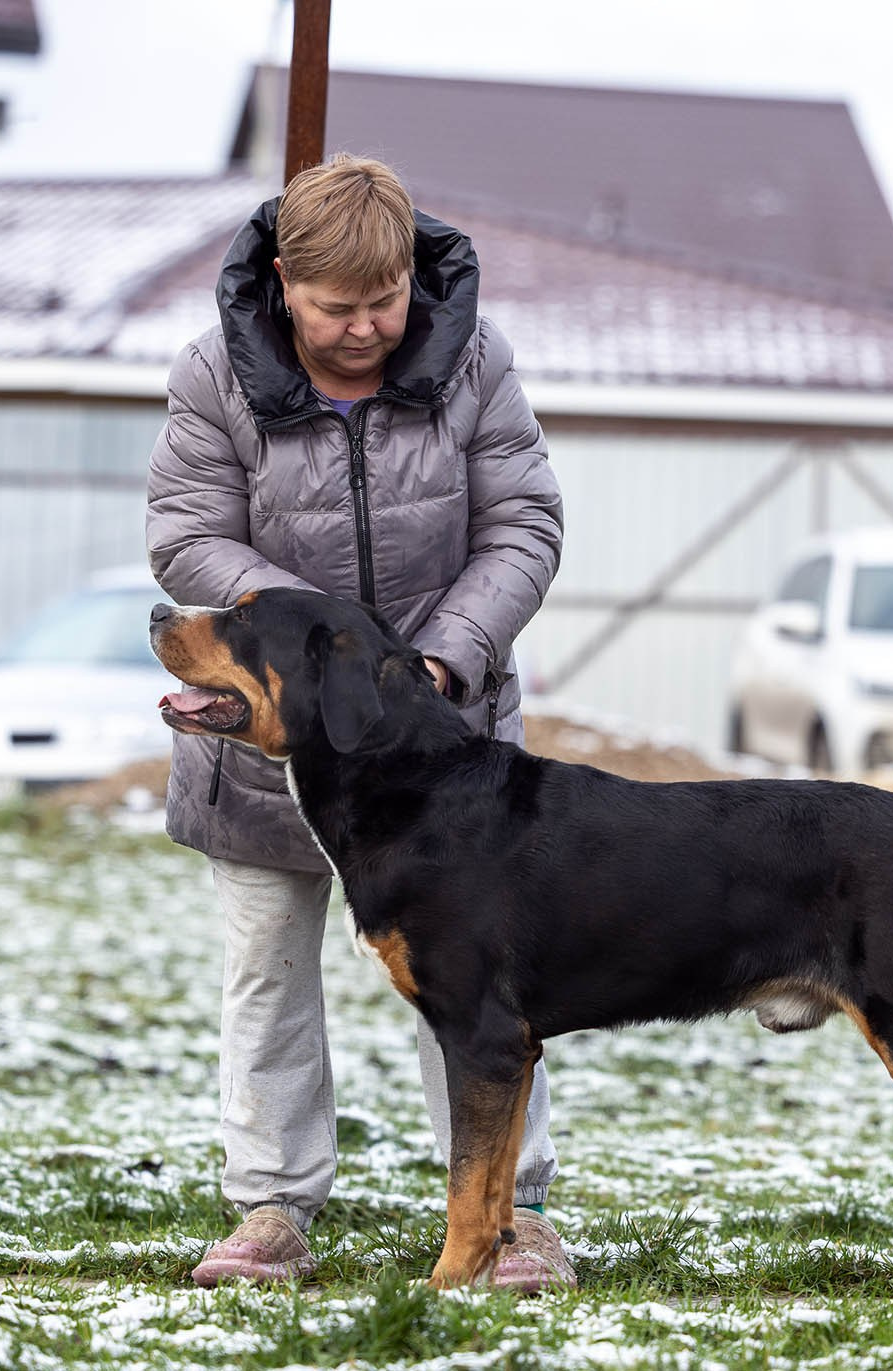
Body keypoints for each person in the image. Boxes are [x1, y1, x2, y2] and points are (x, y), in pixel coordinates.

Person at [145, 155, 569, 1290]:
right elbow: (186, 538)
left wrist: (437, 659)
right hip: (266, 742)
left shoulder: (475, 362)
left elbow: (523, 525)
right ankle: (270, 1207)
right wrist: (318, 634)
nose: (366, 328)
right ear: (284, 282)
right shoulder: (211, 376)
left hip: (443, 742)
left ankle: (513, 1213)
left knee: (484, 976)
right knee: (267, 972)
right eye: (337, 308)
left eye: (385, 302)